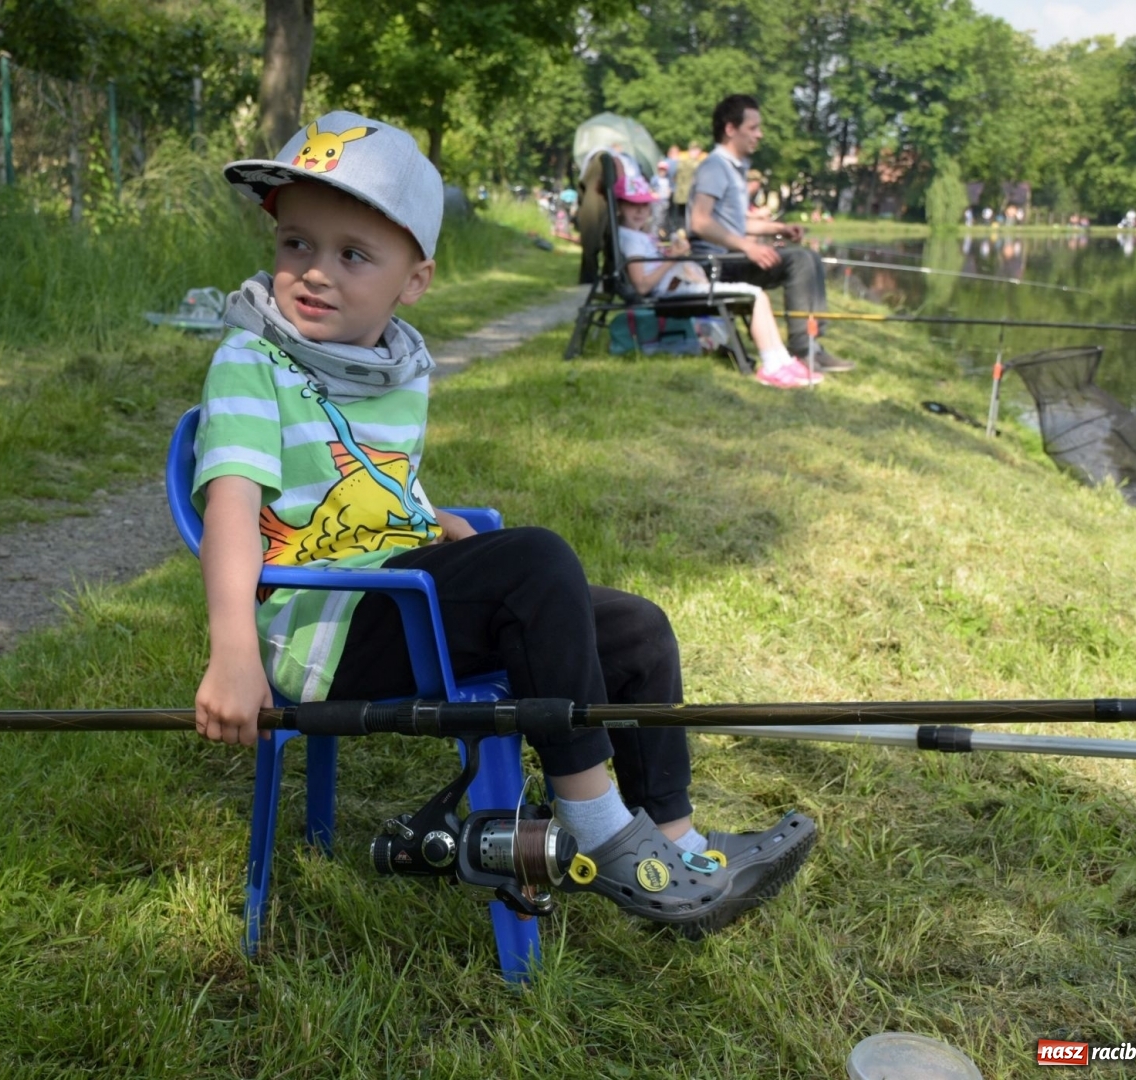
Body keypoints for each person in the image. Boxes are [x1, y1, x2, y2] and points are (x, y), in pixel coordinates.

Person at [202, 111, 816, 936]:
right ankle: (598, 830)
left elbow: (361, 483)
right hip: (326, 630)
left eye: (352, 255)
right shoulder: (253, 359)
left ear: (411, 282)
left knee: (636, 631)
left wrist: (430, 517)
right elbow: (235, 509)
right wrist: (234, 651)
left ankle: (675, 844)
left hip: (394, 588)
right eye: (296, 245)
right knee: (535, 561)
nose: (315, 273)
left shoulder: (391, 367)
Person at [688, 95, 853, 373]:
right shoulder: (715, 166)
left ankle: (811, 344)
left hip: (728, 258)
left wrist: (780, 229)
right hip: (711, 266)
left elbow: (735, 223)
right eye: (753, 128)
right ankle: (803, 349)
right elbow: (700, 222)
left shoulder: (733, 168)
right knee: (799, 261)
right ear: (730, 129)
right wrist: (748, 248)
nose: (759, 135)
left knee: (809, 258)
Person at [613, 174, 821, 389]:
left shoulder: (636, 236)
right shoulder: (630, 240)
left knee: (759, 295)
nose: (639, 211)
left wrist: (670, 255)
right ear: (619, 207)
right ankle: (772, 366)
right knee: (756, 295)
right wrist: (674, 258)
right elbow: (643, 286)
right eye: (631, 205)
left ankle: (783, 361)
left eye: (644, 206)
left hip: (679, 286)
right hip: (673, 292)